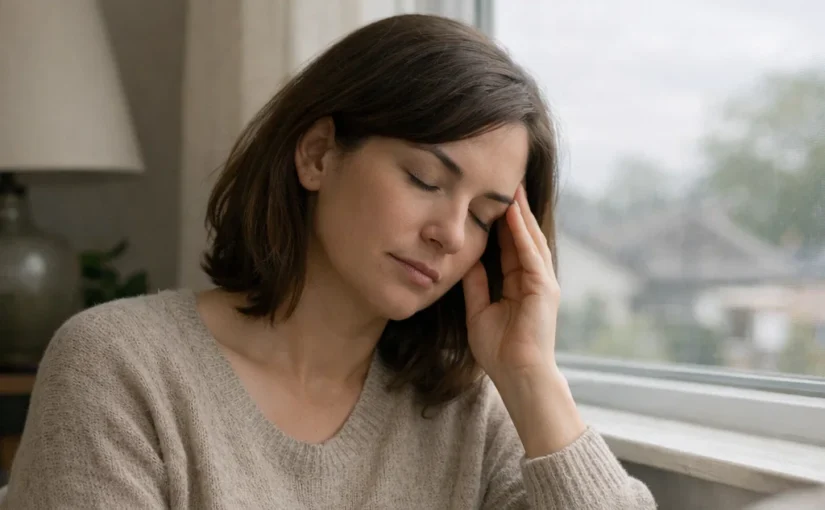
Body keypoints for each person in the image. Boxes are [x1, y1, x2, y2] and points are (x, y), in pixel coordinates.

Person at [1, 14, 656, 509]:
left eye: (485, 216)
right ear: (316, 154)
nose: (449, 234)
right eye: (425, 180)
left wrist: (531, 376)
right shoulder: (121, 366)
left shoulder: (468, 413)